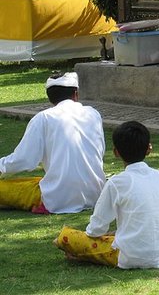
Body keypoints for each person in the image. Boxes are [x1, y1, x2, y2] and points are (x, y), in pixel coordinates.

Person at [55, 121, 159, 269]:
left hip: (128, 257)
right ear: (149, 148)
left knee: (67, 237)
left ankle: (79, 254)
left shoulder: (117, 183)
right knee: (114, 234)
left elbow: (96, 229)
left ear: (116, 152)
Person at [0, 72, 105, 214]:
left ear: (50, 97)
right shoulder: (93, 114)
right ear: (76, 93)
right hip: (96, 195)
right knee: (38, 181)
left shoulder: (44, 118)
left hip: (57, 199)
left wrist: (1, 166)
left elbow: (24, 160)